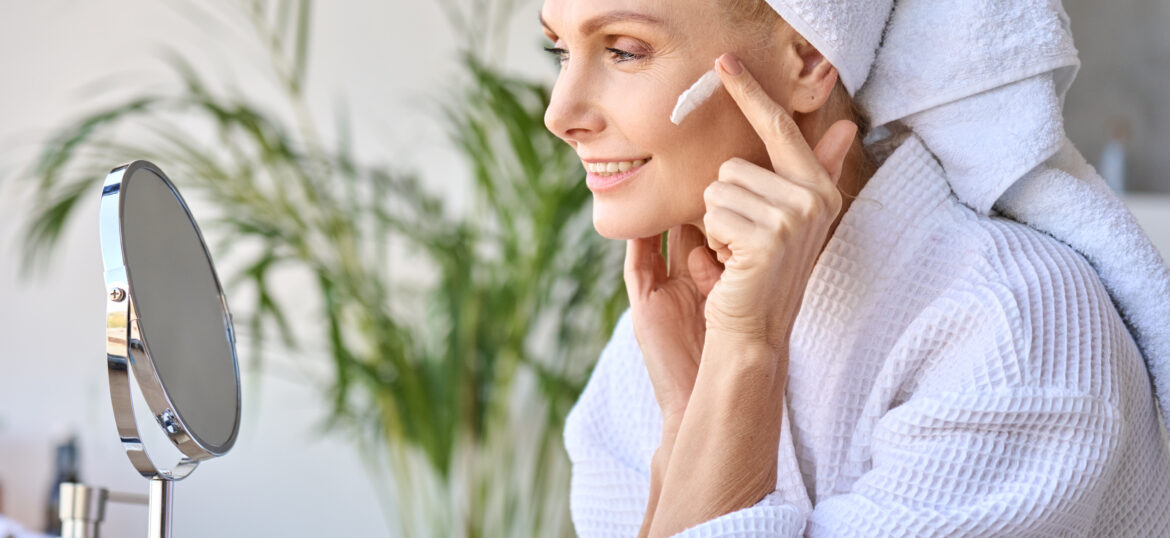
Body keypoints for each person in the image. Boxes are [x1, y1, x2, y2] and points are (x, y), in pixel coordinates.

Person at [540, 0, 1170, 536]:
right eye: (560, 51)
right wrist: (686, 413)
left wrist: (745, 355)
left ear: (809, 60)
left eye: (624, 50)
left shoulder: (1019, 325)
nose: (559, 114)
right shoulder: (659, 343)